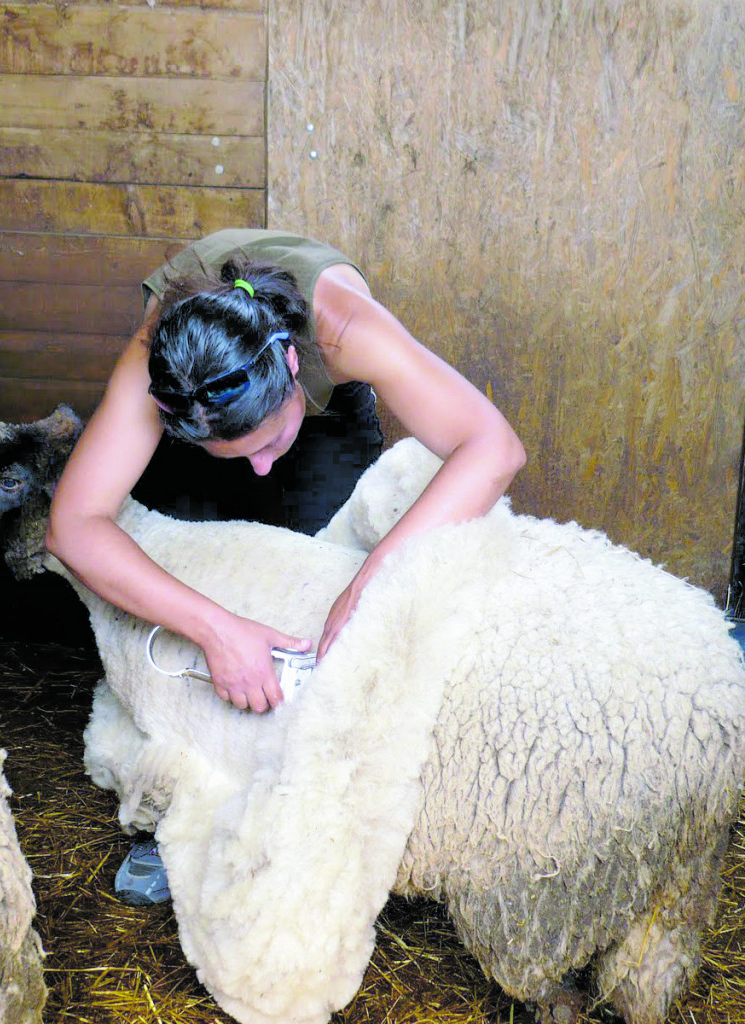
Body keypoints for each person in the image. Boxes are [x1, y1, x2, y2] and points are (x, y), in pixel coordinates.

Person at [46, 229, 526, 903]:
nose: (262, 466)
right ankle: (180, 806)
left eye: (268, 444)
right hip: (214, 409)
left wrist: (371, 577)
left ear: (293, 369)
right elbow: (73, 525)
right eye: (244, 452)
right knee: (187, 575)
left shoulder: (345, 335)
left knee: (324, 585)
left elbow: (493, 447)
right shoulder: (165, 366)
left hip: (316, 411)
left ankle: (325, 810)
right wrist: (215, 628)